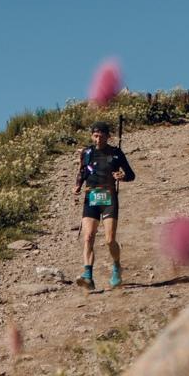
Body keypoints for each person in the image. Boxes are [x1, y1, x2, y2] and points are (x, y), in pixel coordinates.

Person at [72, 121, 134, 290]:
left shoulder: (116, 153)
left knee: (109, 240)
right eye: (95, 136)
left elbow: (131, 175)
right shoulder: (86, 152)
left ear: (108, 136)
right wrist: (78, 185)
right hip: (91, 196)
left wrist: (122, 176)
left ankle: (116, 267)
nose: (98, 139)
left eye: (101, 136)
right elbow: (83, 171)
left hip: (109, 198)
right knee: (88, 237)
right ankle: (88, 276)